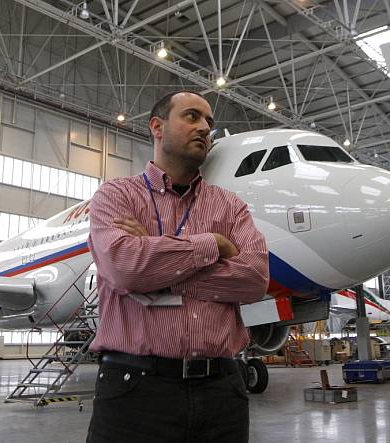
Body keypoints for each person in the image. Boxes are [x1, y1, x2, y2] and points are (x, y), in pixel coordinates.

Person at [86, 90, 270, 443]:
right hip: (135, 391)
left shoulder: (230, 206)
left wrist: (154, 267)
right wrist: (213, 244)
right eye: (191, 116)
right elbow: (126, 269)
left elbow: (255, 280)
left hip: (222, 392)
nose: (204, 128)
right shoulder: (115, 196)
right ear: (157, 126)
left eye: (209, 122)